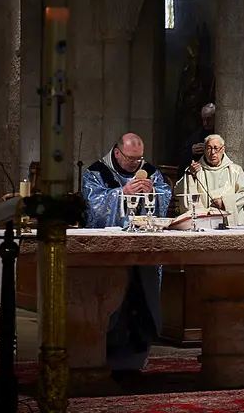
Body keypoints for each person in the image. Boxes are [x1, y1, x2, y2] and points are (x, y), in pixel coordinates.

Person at [81, 133, 172, 375]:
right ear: (118, 153)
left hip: (144, 253)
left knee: (142, 300)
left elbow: (165, 196)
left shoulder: (149, 170)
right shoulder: (96, 173)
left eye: (140, 159)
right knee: (114, 302)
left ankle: (138, 356)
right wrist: (122, 193)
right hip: (110, 253)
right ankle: (106, 354)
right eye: (132, 159)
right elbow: (93, 207)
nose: (137, 164)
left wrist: (153, 192)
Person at [175, 133, 244, 225]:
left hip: (231, 224)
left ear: (223, 149)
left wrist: (225, 202)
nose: (212, 152)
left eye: (216, 148)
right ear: (204, 150)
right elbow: (178, 191)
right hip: (205, 224)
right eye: (209, 148)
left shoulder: (235, 170)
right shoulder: (195, 170)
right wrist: (190, 175)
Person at [178, 103, 216, 172]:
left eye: (209, 119)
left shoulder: (219, 132)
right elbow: (183, 154)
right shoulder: (198, 134)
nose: (205, 123)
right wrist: (191, 151)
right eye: (203, 120)